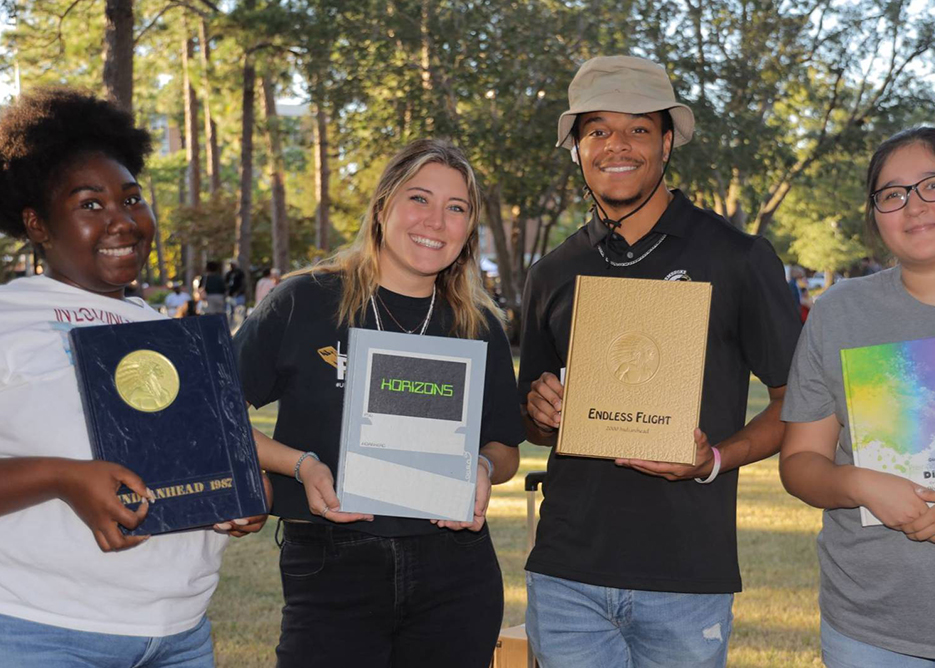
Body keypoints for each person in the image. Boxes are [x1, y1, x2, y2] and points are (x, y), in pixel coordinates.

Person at [518, 55, 802, 668]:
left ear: (667, 143)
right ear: (577, 148)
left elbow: (797, 403)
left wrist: (713, 460)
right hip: (567, 574)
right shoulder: (552, 273)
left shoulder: (739, 258)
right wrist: (540, 411)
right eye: (597, 129)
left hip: (686, 578)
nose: (616, 145)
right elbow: (536, 427)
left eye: (638, 129)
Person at [0, 88, 269, 667]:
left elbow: (219, 455)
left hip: (181, 634)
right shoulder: (8, 319)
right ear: (37, 223)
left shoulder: (173, 334)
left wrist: (245, 496)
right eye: (90, 204)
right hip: (44, 631)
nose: (122, 220)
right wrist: (62, 477)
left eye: (131, 199)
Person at [234, 138, 524, 668]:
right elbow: (217, 417)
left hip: (454, 573)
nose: (435, 221)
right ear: (383, 206)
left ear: (468, 230)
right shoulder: (305, 301)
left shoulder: (478, 324)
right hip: (332, 563)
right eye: (419, 198)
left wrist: (483, 468)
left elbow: (504, 447)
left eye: (456, 208)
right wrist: (300, 465)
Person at [780, 127, 935, 667]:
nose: (914, 206)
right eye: (892, 194)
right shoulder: (839, 313)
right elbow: (800, 462)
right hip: (868, 630)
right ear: (875, 215)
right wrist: (856, 482)